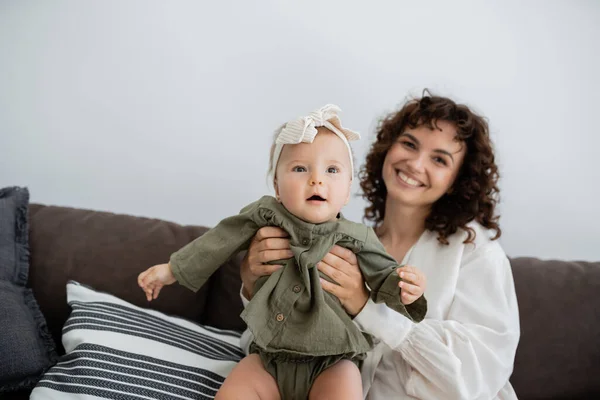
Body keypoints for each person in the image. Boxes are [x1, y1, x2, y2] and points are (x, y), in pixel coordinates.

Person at [240, 92, 520, 399]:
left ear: (457, 180)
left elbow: (476, 376)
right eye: (409, 144)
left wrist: (366, 306)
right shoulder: (346, 244)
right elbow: (280, 352)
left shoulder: (475, 251)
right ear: (388, 149)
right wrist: (254, 286)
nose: (415, 163)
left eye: (439, 159)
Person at [138, 104, 427, 400]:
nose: (317, 180)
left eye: (332, 170)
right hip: (268, 358)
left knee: (344, 384)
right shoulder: (264, 216)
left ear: (347, 187)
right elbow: (219, 239)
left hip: (333, 361)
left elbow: (384, 275)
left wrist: (405, 288)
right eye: (300, 168)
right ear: (276, 185)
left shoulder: (357, 238)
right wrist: (171, 269)